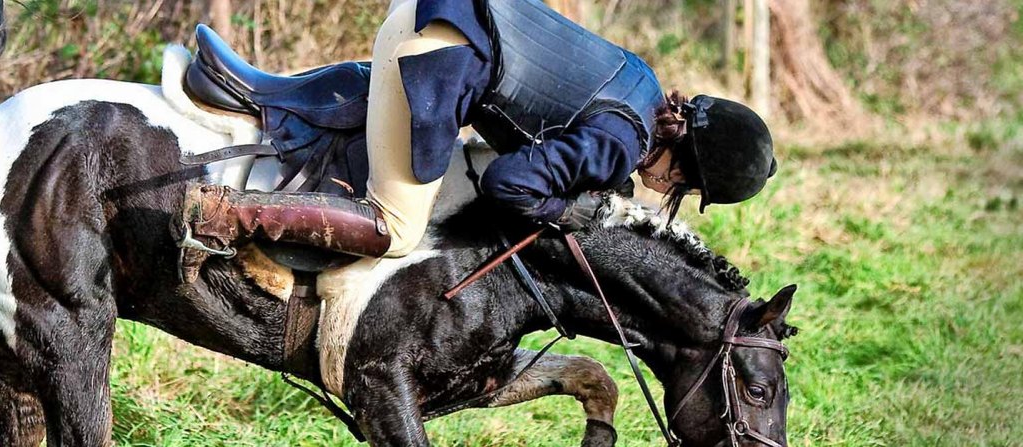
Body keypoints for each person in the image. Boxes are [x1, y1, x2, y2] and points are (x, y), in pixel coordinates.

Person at [180, 0, 776, 281]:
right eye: (684, 182)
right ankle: (231, 216)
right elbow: (506, 183)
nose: (665, 188)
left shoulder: (643, 83)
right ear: (684, 162)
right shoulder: (623, 143)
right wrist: (566, 208)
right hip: (441, 49)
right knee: (396, 228)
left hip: (443, 16)